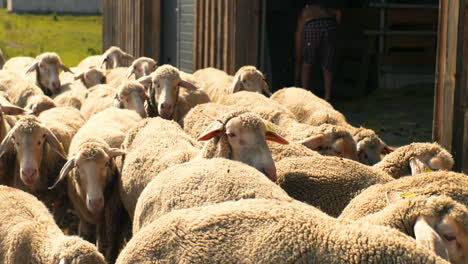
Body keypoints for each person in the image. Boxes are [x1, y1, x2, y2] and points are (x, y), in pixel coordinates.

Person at [294, 1, 342, 101]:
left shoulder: (306, 11)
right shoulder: (325, 8)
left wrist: (299, 51)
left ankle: (304, 93)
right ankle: (328, 96)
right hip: (330, 25)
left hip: (313, 26)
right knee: (327, 64)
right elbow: (338, 13)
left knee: (307, 63)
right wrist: (337, 27)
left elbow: (299, 34)